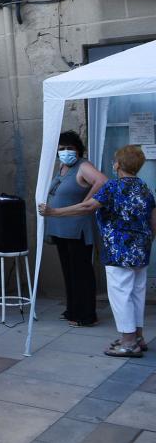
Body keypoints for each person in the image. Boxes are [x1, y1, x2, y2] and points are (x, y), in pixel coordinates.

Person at [40, 145, 156, 358]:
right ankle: (138, 337)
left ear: (118, 165)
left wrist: (54, 212)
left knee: (120, 294)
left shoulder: (112, 187)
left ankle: (128, 342)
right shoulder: (145, 188)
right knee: (136, 293)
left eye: (115, 161)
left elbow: (87, 207)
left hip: (118, 250)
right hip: (141, 249)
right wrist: (147, 243)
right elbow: (153, 219)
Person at [46, 131, 108, 327]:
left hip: (77, 228)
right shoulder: (63, 167)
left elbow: (103, 182)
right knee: (69, 271)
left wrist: (87, 201)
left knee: (81, 272)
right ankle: (73, 309)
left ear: (78, 150)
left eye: (69, 148)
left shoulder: (83, 165)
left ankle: (86, 314)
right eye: (62, 148)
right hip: (61, 228)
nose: (65, 152)